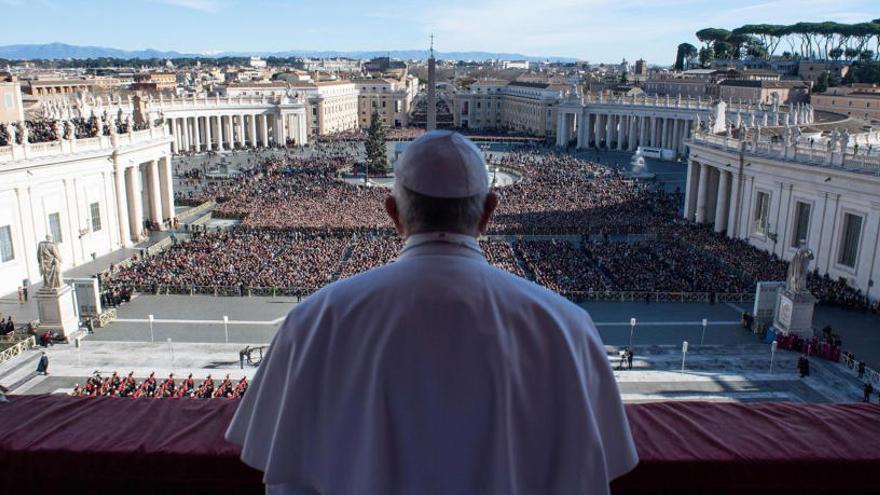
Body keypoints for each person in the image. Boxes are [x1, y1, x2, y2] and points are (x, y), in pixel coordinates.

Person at [227, 131, 638, 495]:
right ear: (489, 212)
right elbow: (595, 470)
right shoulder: (566, 325)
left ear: (393, 212)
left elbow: (285, 476)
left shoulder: (314, 319)